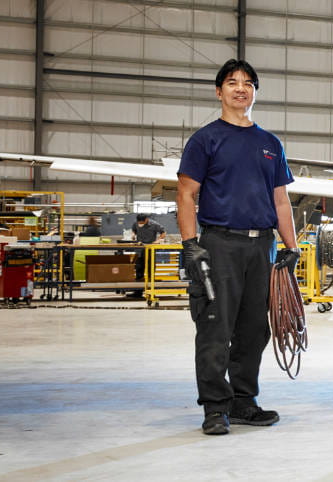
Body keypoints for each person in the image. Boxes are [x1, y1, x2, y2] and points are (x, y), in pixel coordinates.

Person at [176, 59, 300, 435]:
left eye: (248, 83)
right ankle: (215, 406)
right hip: (219, 246)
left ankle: (244, 401)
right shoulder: (205, 139)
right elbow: (186, 194)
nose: (241, 88)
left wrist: (291, 247)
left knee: (253, 330)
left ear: (255, 93)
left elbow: (280, 200)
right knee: (215, 327)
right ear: (219, 92)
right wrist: (190, 245)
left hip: (259, 247)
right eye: (232, 83)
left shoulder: (269, 143)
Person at [129, 214, 167, 298]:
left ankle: (151, 292)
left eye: (142, 222)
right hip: (140, 250)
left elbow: (163, 232)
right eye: (139, 223)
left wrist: (159, 240)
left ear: (146, 220)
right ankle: (138, 292)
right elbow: (134, 230)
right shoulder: (136, 224)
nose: (140, 224)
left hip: (150, 250)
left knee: (150, 271)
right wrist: (133, 235)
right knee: (139, 270)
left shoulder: (154, 224)